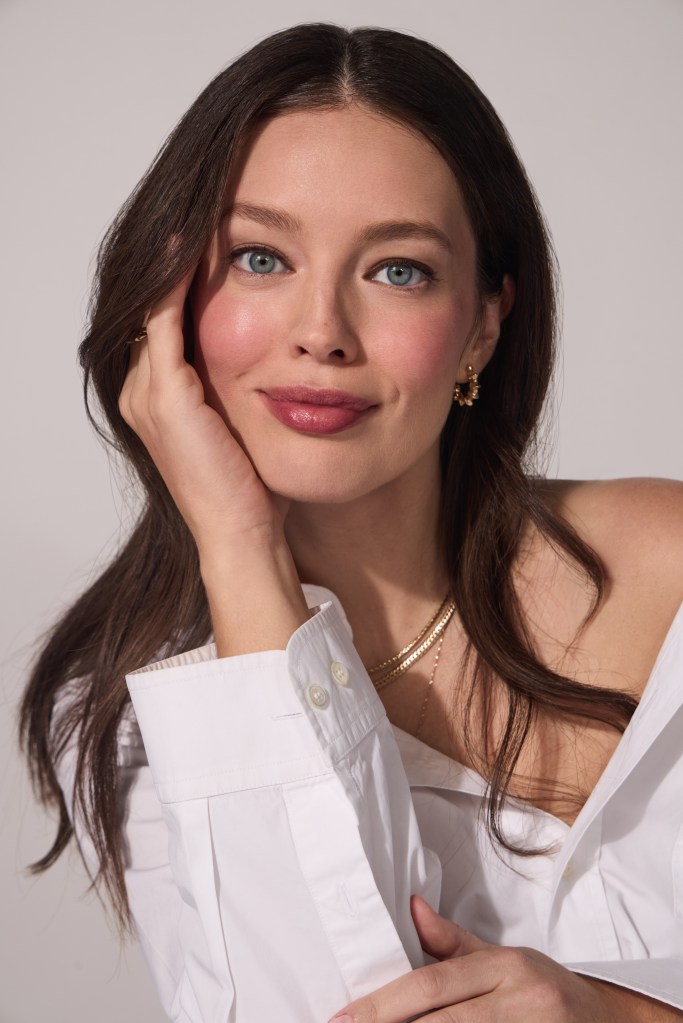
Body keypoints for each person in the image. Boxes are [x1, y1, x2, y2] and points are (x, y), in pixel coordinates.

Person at [20, 22, 683, 1023]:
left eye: (397, 270)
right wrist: (239, 544)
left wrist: (623, 1015)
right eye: (258, 258)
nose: (322, 332)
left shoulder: (666, 570)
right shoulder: (135, 716)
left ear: (484, 324)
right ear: (169, 306)